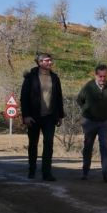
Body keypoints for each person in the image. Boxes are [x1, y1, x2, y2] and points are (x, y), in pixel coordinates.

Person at [20, 53, 64, 181]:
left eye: (51, 60)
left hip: (50, 117)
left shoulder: (55, 78)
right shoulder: (30, 77)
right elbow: (24, 97)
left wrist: (60, 115)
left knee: (48, 143)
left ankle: (47, 172)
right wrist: (26, 116)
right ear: (39, 62)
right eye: (47, 60)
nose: (50, 63)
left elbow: (58, 97)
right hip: (33, 117)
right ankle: (32, 170)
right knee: (33, 144)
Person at [77, 64, 107, 182]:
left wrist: (105, 111)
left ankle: (106, 173)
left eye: (104, 76)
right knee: (88, 146)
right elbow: (79, 100)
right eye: (100, 76)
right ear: (95, 75)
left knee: (104, 147)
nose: (102, 79)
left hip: (105, 122)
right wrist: (88, 111)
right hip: (89, 122)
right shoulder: (88, 87)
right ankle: (85, 172)